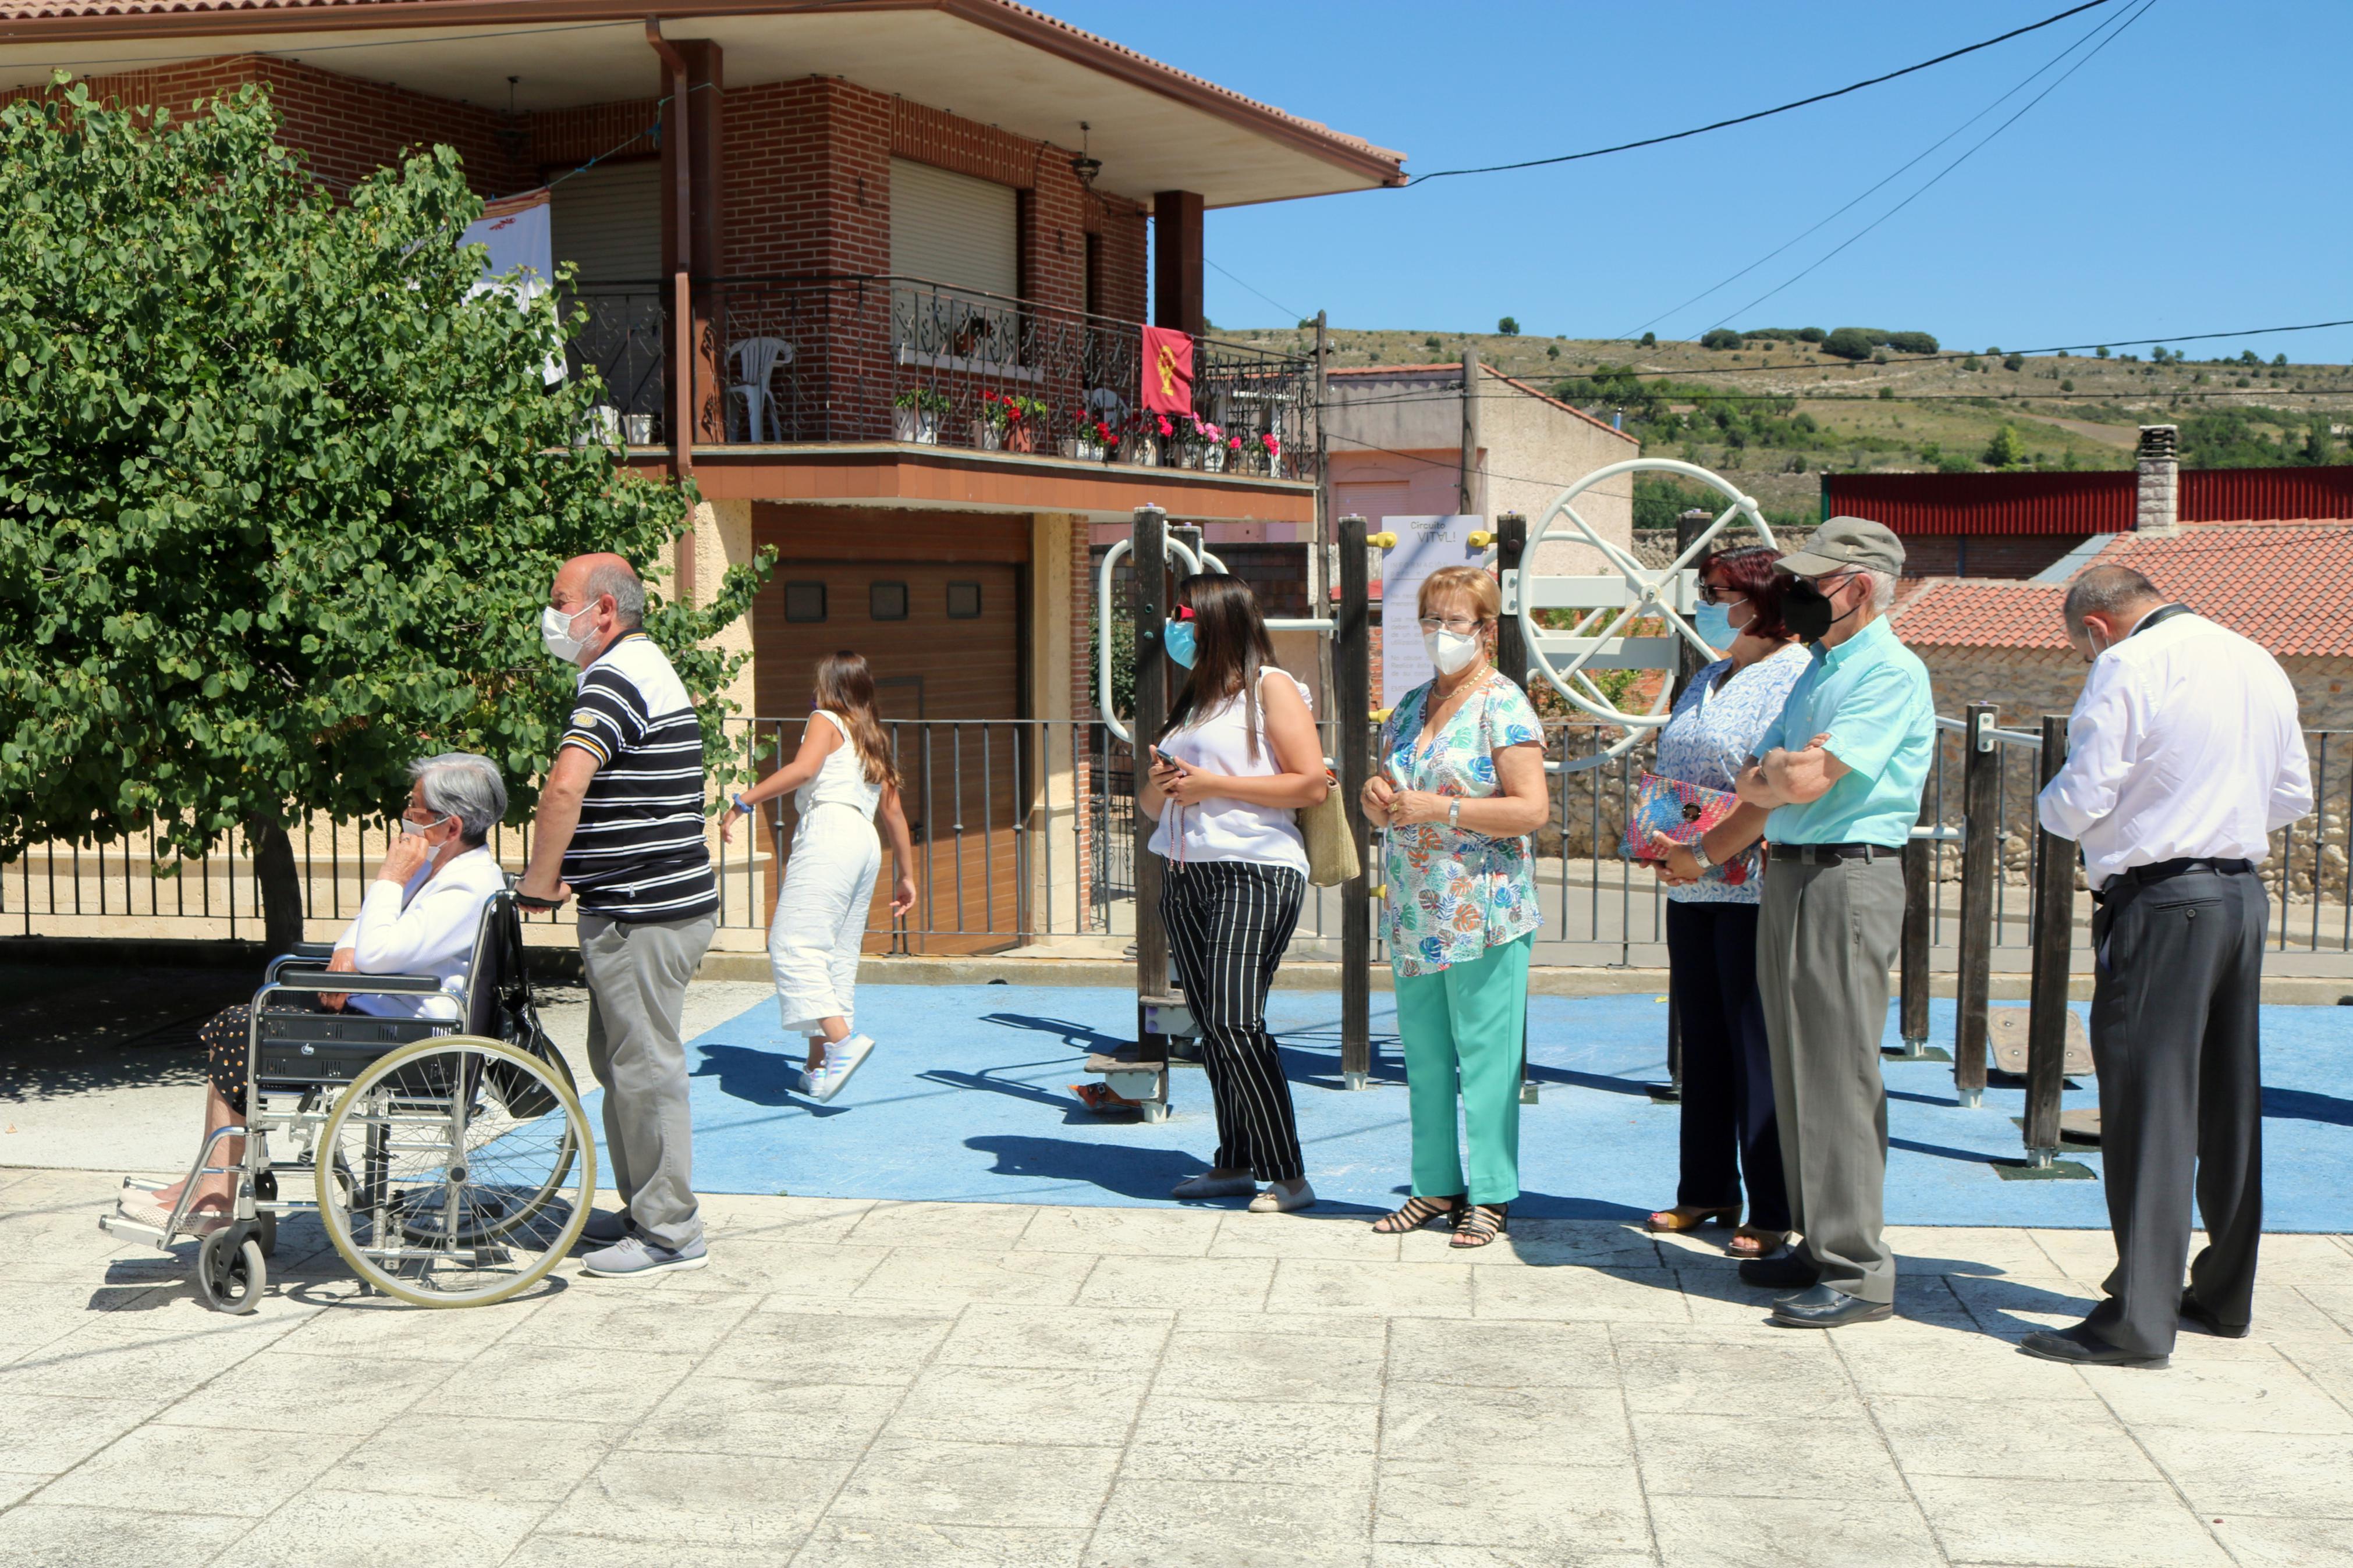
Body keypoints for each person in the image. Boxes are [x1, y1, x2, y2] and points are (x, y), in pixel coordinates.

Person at [2021, 566, 2312, 1368]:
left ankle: (2137, 1320)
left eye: (2077, 648)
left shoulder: (2125, 664)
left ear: (2096, 628)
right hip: (2238, 895)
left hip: (2159, 900)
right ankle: (2221, 1294)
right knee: (2226, 1099)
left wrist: (2049, 809)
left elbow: (2080, 793)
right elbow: (2289, 794)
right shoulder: (2254, 655)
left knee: (2149, 1105)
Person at [117, 753, 509, 1233]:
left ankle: (215, 1193)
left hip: (413, 1036)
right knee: (244, 1022)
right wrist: (346, 952)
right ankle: (208, 1184)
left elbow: (381, 949)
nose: (405, 821)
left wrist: (390, 876)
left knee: (248, 1028)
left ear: (452, 826)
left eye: (415, 811)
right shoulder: (442, 869)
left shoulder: (464, 886)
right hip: (385, 1010)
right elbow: (367, 931)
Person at [1730, 516, 1935, 1329]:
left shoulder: (1888, 671)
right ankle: (1819, 1241)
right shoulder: (1816, 668)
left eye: (1813, 581)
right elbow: (1758, 776)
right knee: (1795, 1067)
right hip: (1793, 871)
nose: (1799, 595)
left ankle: (1856, 1269)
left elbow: (1803, 776)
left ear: (1857, 584)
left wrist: (1783, 772)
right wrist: (1780, 772)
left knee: (1839, 1076)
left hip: (1846, 873)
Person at [519, 553, 718, 1278]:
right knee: (623, 1063)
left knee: (644, 1067)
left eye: (560, 599)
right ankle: (644, 1209)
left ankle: (670, 1231)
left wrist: (541, 882)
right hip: (643, 901)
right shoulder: (635, 667)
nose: (552, 614)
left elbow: (565, 787)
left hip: (645, 910)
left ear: (603, 610)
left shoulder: (612, 677)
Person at [1361, 564, 1549, 1249]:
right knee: (1426, 1056)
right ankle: (1434, 1183)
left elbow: (1530, 808)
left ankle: (1492, 1193)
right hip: (1416, 908)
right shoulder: (1410, 705)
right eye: (1430, 620)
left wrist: (1439, 806)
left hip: (1485, 909)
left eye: (1455, 621)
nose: (1440, 633)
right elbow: (1389, 788)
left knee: (1488, 1058)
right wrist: (1374, 800)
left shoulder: (1503, 704)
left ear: (1486, 630)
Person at [1142, 574, 1328, 1214]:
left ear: (1218, 620)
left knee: (1234, 1018)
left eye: (1183, 616)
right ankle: (1234, 1160)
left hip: (1254, 869)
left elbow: (1311, 784)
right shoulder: (1195, 699)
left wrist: (1211, 785)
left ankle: (1288, 1175)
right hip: (1184, 868)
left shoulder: (1271, 688)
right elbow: (1153, 802)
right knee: (1212, 1025)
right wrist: (1166, 783)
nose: (1174, 628)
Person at [1644, 547, 1808, 1258]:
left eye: (1717, 592)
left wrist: (1706, 848)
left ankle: (1772, 1205)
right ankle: (1705, 1186)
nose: (1707, 603)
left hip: (1753, 885)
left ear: (1761, 602)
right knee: (1703, 1044)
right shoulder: (1708, 674)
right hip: (1693, 880)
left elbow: (1773, 787)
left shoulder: (1793, 678)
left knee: (1756, 1051)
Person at [721, 651, 918, 1102]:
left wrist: (745, 800)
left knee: (792, 944)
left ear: (828, 686)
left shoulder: (824, 719)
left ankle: (842, 1043)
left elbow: (804, 769)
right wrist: (907, 876)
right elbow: (893, 813)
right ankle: (817, 1063)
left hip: (830, 831)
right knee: (833, 956)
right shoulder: (872, 736)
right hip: (863, 842)